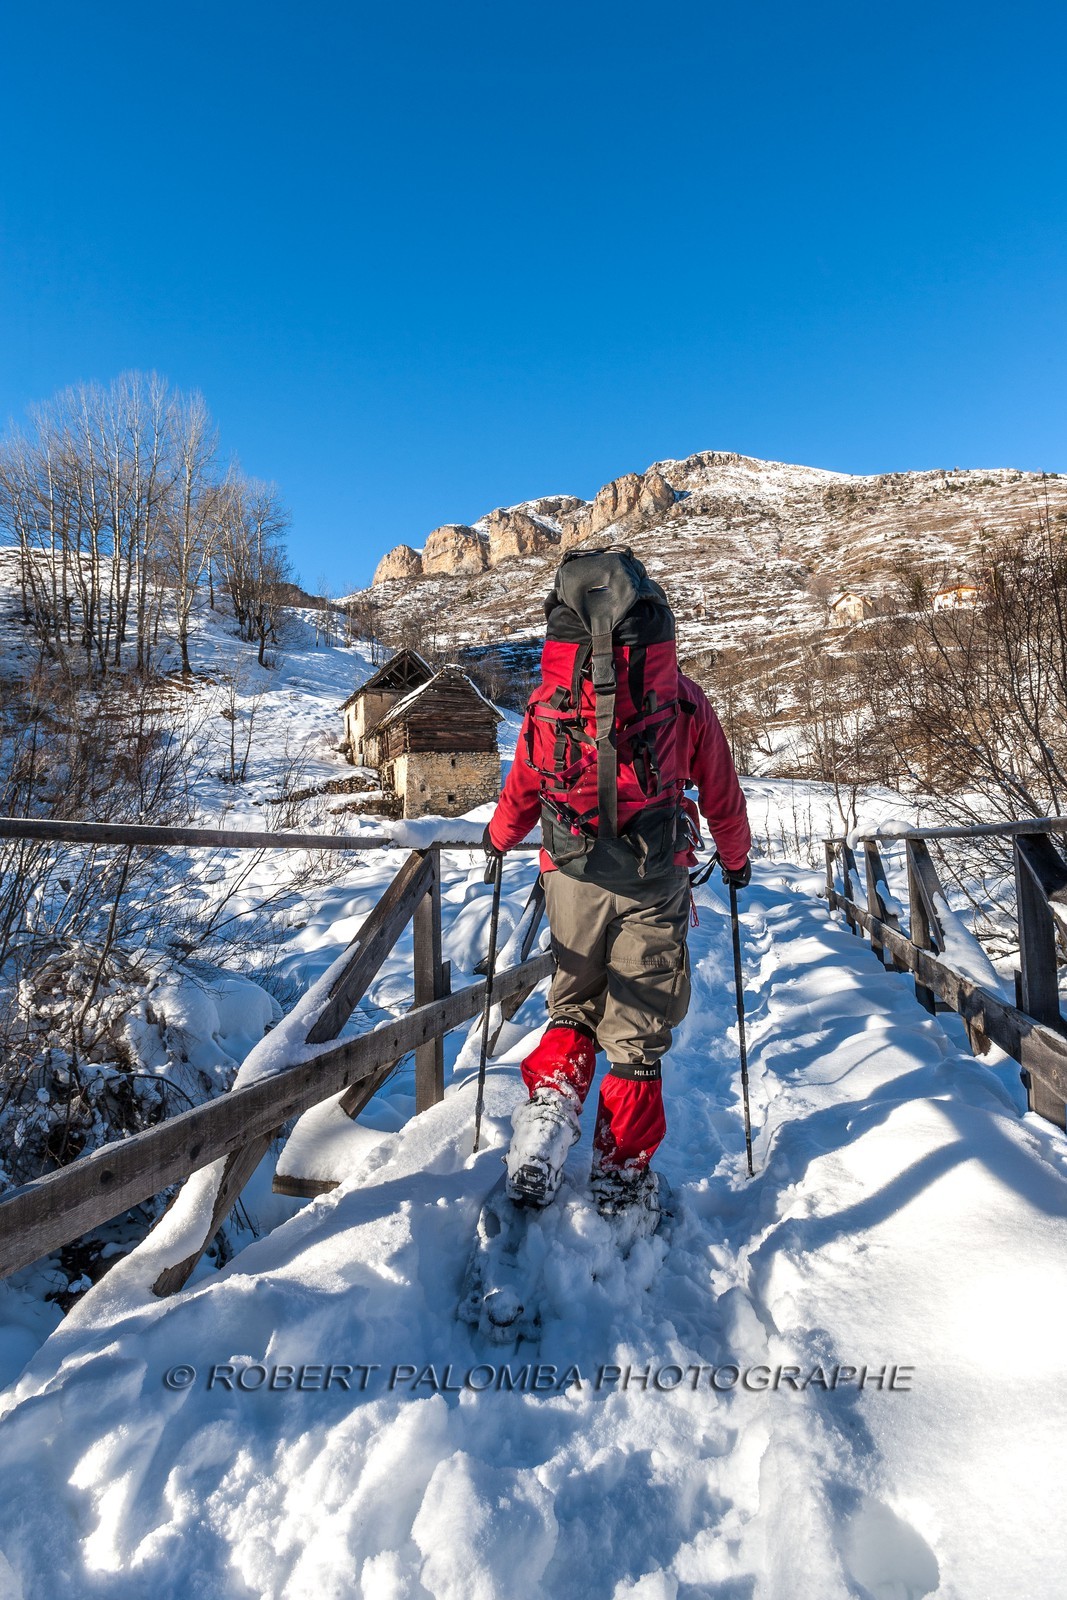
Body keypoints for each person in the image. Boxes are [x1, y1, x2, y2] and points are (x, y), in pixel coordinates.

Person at [482, 545, 751, 1226]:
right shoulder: (680, 700)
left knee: (571, 1004)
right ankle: (621, 1174)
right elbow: (720, 791)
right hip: (653, 876)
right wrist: (737, 859)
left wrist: (498, 839)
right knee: (635, 1028)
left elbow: (524, 785)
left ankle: (548, 1114)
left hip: (569, 872)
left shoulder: (549, 698)